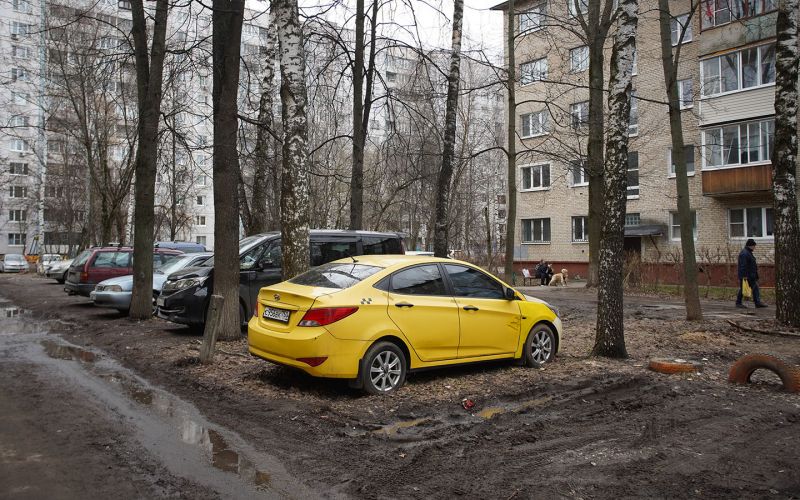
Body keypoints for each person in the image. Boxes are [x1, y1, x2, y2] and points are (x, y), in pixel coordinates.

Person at [736, 238, 767, 309]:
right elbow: (743, 266)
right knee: (743, 289)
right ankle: (738, 303)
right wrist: (744, 276)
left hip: (751, 275)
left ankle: (757, 302)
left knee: (755, 288)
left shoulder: (748, 252)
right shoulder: (744, 253)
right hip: (747, 276)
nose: (754, 247)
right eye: (754, 246)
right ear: (750, 245)